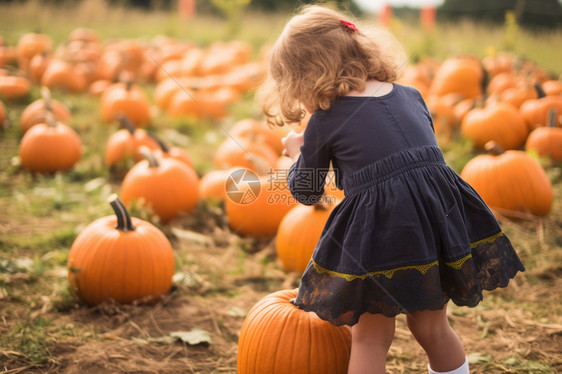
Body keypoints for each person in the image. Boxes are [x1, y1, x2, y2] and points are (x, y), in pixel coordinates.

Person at [257, 5, 526, 374]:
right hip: (436, 222)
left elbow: (307, 191)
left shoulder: (326, 118)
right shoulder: (410, 95)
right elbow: (399, 160)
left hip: (381, 230)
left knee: (370, 338)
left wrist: (296, 153)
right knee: (432, 327)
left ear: (304, 77)